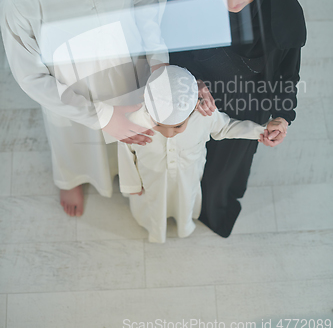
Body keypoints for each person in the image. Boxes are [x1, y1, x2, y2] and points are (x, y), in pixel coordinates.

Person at [0, 0, 169, 217]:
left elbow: (145, 0)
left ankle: (126, 173)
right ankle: (71, 178)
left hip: (127, 66)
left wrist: (158, 60)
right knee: (72, 138)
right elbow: (30, 75)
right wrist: (102, 116)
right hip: (67, 86)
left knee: (131, 128)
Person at [163, 0, 306, 237]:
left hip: (247, 106)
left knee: (223, 173)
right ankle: (175, 209)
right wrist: (192, 84)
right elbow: (167, 50)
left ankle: (210, 211)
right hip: (194, 102)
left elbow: (287, 77)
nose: (231, 1)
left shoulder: (284, 18)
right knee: (181, 162)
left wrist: (282, 117)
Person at [117, 65, 286, 243]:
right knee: (153, 204)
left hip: (188, 176)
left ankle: (184, 225)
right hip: (150, 178)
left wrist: (260, 131)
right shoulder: (133, 121)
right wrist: (132, 185)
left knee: (184, 201)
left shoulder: (203, 116)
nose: (168, 134)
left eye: (177, 127)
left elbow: (226, 127)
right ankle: (155, 229)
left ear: (194, 107)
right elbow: (126, 153)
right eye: (158, 125)